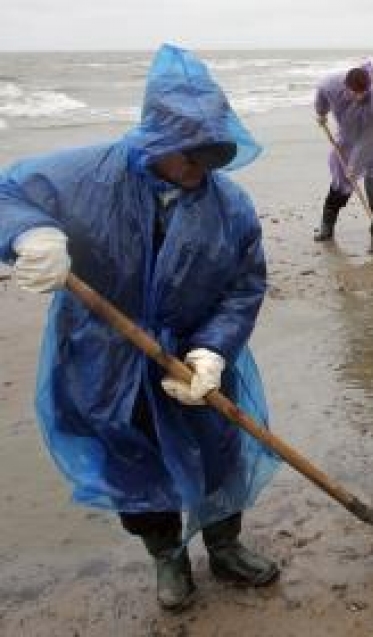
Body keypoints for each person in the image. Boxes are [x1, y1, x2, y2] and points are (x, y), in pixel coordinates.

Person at [0, 44, 281, 612]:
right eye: (191, 158)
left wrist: (213, 351)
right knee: (132, 459)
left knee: (217, 448)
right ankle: (167, 556)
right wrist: (30, 233)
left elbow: (245, 284)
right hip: (107, 358)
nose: (200, 171)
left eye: (211, 159)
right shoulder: (85, 177)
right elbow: (8, 194)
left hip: (192, 358)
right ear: (160, 138)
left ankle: (225, 545)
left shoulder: (230, 206)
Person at [313, 62, 373, 242]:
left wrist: (355, 164)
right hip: (347, 137)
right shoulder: (330, 84)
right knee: (340, 181)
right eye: (355, 92)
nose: (359, 96)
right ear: (346, 86)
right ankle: (327, 226)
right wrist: (321, 113)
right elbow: (321, 93)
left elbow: (371, 139)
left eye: (363, 92)